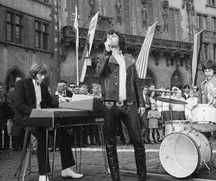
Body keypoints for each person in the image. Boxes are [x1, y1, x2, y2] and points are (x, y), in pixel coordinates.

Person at [13, 63, 83, 181]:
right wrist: (35, 112)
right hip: (28, 118)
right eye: (41, 75)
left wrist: (62, 101)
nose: (43, 77)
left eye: (44, 75)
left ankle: (66, 169)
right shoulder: (22, 84)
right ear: (34, 73)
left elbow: (50, 102)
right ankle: (43, 174)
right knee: (43, 136)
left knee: (65, 134)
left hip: (43, 119)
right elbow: (18, 104)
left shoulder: (43, 86)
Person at [94, 30, 146, 181]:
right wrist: (106, 52)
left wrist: (141, 103)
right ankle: (115, 178)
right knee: (110, 144)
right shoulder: (104, 57)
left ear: (120, 39)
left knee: (138, 142)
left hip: (130, 105)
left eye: (113, 35)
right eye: (108, 36)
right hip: (110, 106)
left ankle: (142, 177)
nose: (110, 37)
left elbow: (136, 82)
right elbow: (98, 72)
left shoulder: (129, 58)